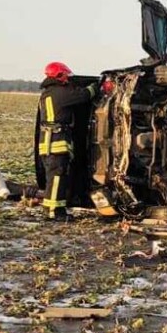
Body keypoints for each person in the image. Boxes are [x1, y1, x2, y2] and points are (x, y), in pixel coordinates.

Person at [37, 62, 109, 221]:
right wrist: (96, 87)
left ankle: (54, 209)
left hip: (48, 143)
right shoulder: (61, 93)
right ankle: (53, 212)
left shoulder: (47, 94)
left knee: (54, 177)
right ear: (59, 76)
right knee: (57, 177)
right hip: (56, 143)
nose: (68, 80)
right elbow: (84, 95)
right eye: (66, 77)